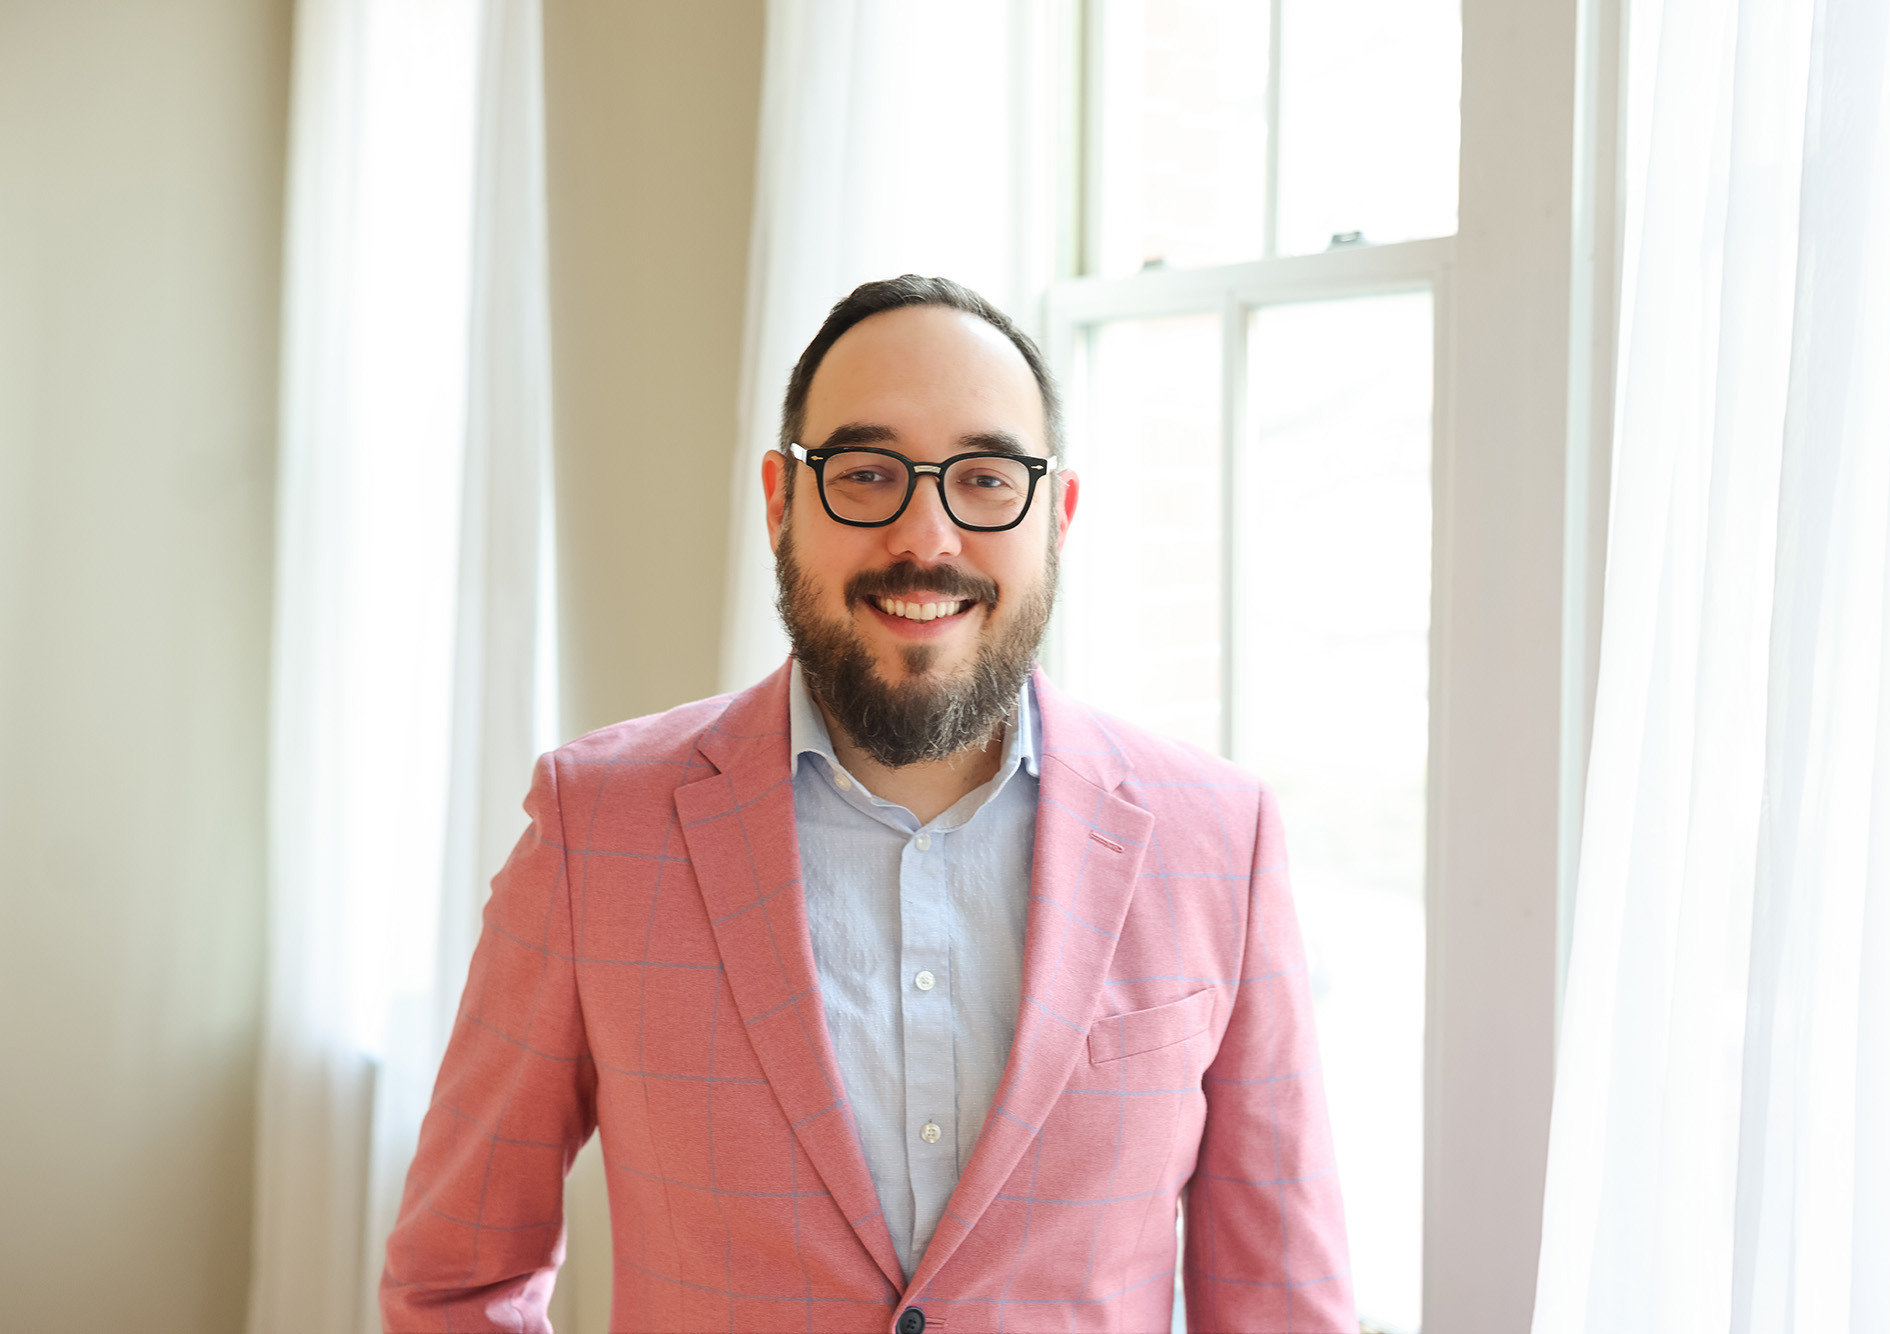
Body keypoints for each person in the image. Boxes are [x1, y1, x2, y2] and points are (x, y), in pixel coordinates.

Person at [380, 276, 1354, 1333]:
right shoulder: (596, 829)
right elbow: (454, 1281)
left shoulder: (1220, 839)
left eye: (986, 479)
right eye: (865, 474)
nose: (925, 537)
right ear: (779, 502)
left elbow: (1283, 1309)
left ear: (1057, 516)